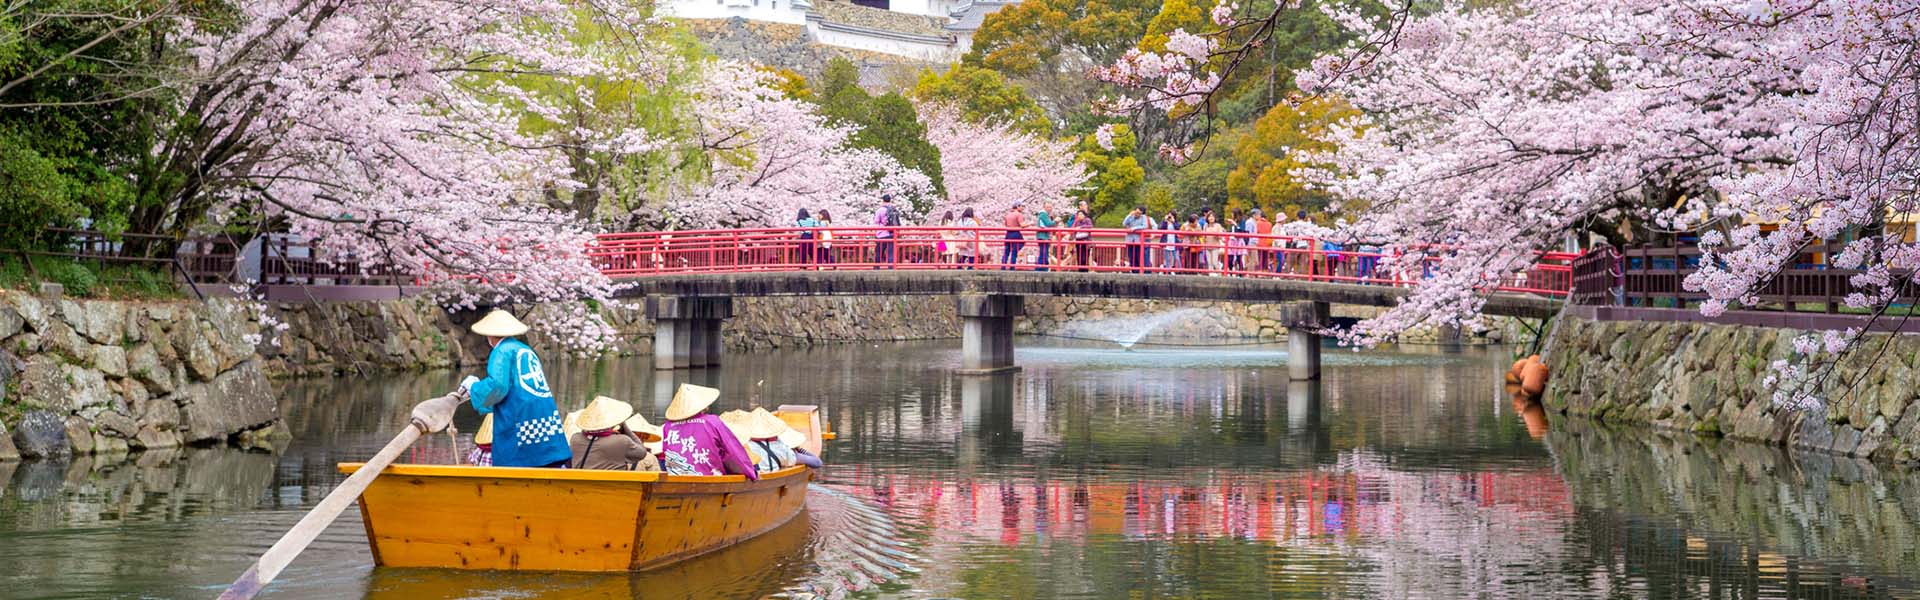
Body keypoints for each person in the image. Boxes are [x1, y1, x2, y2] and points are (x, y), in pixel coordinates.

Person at [459, 309, 571, 468]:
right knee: (545, 450)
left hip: (520, 410)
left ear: (490, 335)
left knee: (519, 455)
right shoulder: (525, 349)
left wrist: (473, 387)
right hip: (542, 408)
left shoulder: (502, 351)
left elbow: (498, 385)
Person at [658, 384, 759, 479]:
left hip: (677, 481)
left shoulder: (667, 426)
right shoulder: (712, 421)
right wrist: (750, 472)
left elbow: (665, 456)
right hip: (711, 480)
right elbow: (732, 451)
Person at [567, 396, 658, 471]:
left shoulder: (575, 439)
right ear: (613, 421)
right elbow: (642, 453)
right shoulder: (621, 441)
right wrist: (624, 427)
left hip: (581, 489)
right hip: (613, 490)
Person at [874, 194, 902, 266]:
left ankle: (877, 268)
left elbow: (876, 221)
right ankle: (891, 268)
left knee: (879, 252)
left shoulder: (880, 210)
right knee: (891, 253)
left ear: (883, 200)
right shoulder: (893, 209)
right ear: (890, 200)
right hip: (892, 233)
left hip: (882, 234)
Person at [1122, 206, 1149, 273]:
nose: (1137, 214)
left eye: (1139, 213)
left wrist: (1134, 228)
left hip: (1138, 241)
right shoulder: (1131, 216)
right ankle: (1134, 271)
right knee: (1131, 257)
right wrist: (1129, 215)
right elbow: (1124, 223)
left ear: (1142, 213)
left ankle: (1139, 271)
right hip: (1130, 240)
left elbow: (1145, 226)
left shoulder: (1143, 217)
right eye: (1136, 212)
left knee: (1138, 257)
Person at [1001, 201, 1026, 269]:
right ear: (1017, 206)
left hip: (1008, 234)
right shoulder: (1018, 214)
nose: (1022, 208)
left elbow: (1006, 224)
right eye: (1021, 206)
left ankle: (1003, 266)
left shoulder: (1008, 215)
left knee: (1006, 252)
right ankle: (1012, 267)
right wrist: (1030, 224)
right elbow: (1022, 225)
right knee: (1014, 252)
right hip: (1016, 234)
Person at [1032, 203, 1056, 271]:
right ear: (1044, 207)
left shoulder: (1043, 214)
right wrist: (1055, 221)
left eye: (1050, 207)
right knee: (1044, 253)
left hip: (1042, 236)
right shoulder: (1044, 214)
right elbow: (1049, 224)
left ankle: (1040, 268)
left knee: (1043, 253)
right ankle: (1042, 268)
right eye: (1048, 207)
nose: (1050, 209)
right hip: (1043, 236)